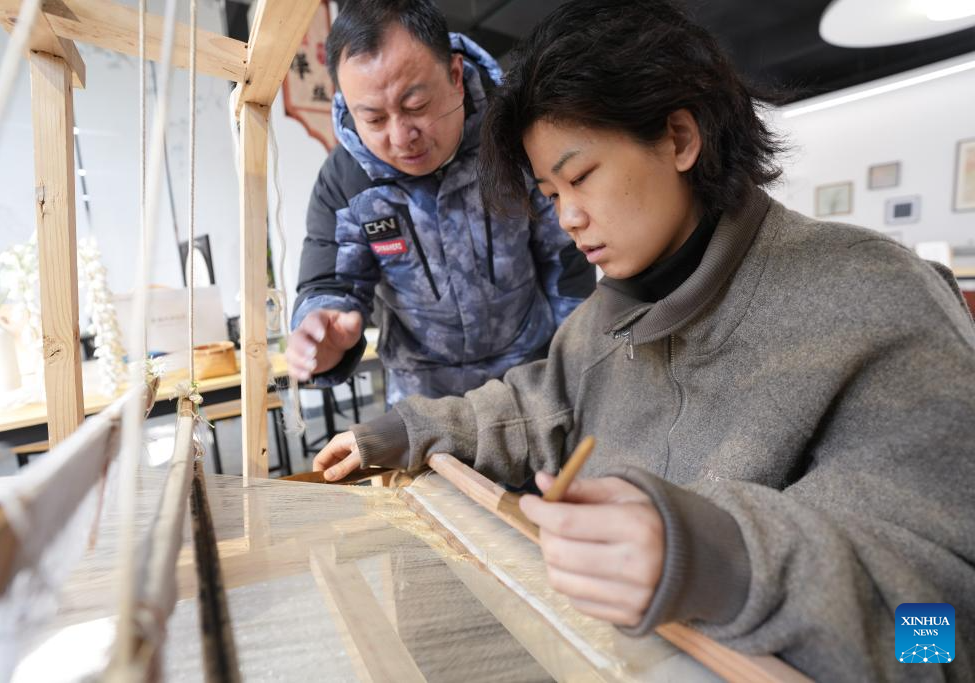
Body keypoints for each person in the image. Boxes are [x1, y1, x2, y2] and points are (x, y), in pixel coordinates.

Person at [311, 1, 975, 679]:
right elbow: (532, 405)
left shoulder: (875, 298)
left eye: (580, 176)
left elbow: (946, 634)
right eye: (549, 190)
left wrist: (724, 561)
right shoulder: (603, 322)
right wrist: (405, 427)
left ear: (680, 138)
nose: (567, 215)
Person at [286, 0, 594, 405]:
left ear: (454, 76)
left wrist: (574, 371)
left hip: (531, 380)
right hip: (425, 401)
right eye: (374, 120)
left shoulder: (515, 139)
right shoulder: (347, 184)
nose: (400, 137)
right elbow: (331, 283)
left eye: (415, 106)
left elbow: (565, 261)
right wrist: (321, 334)